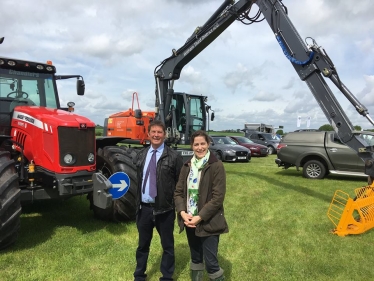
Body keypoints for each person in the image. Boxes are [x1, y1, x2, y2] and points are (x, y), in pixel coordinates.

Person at [174, 130, 228, 281]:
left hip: (208, 221)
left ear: (208, 144)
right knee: (196, 258)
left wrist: (200, 216)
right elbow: (178, 192)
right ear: (192, 146)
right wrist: (182, 212)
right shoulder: (187, 166)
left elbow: (218, 198)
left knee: (211, 264)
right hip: (189, 219)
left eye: (202, 144)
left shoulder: (216, 165)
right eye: (196, 144)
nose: (199, 147)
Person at [133, 120, 183, 281]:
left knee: (167, 246)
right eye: (153, 132)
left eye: (159, 132)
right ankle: (139, 275)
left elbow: (180, 184)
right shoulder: (141, 155)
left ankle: (167, 277)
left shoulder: (174, 157)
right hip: (144, 209)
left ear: (165, 135)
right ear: (148, 134)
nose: (156, 135)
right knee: (142, 246)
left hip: (165, 210)